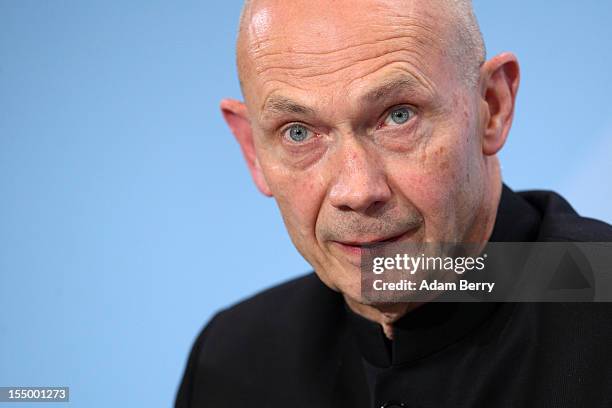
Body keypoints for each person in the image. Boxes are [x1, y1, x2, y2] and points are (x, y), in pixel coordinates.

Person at [176, 0, 612, 406]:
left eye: (399, 116)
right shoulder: (230, 362)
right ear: (253, 150)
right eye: (298, 132)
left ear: (492, 107)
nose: (357, 191)